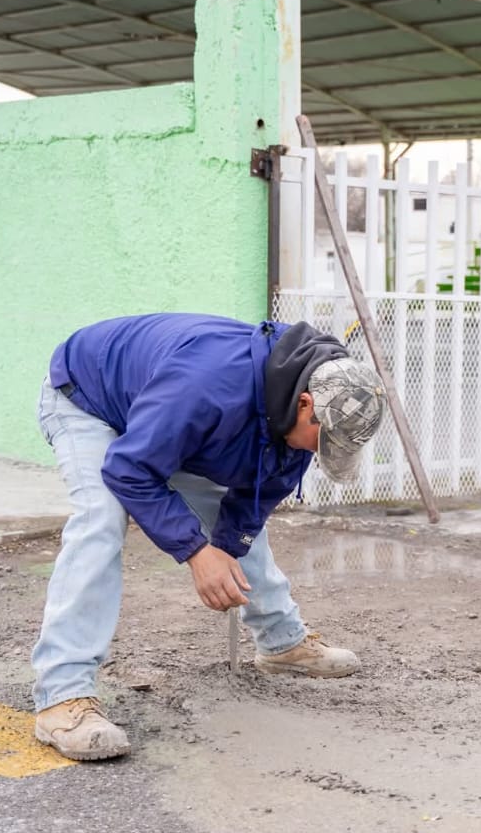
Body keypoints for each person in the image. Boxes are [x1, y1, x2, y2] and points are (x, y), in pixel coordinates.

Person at [30, 313, 386, 760]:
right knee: (101, 517)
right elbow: (130, 468)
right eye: (322, 442)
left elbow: (256, 494)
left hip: (161, 413)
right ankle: (62, 697)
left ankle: (282, 643)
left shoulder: (312, 398)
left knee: (230, 522)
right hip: (87, 395)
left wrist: (225, 547)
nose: (319, 453)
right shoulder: (207, 386)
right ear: (305, 404)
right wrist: (197, 553)